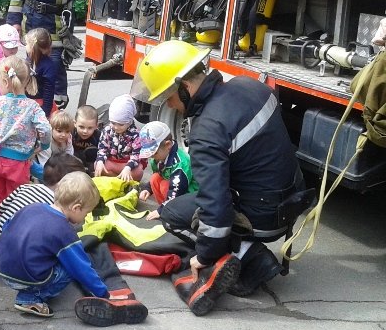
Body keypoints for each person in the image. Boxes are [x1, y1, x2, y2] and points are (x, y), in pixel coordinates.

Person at [131, 40, 308, 314]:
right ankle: (247, 251)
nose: (172, 106)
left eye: (170, 97)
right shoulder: (250, 85)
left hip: (263, 217)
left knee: (173, 213)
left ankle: (249, 256)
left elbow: (214, 202)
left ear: (185, 87)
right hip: (291, 201)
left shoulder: (207, 130)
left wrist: (205, 256)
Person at [0, 155, 148, 326]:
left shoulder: (33, 207)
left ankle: (28, 288)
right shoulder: (64, 230)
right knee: (69, 266)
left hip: (3, 268)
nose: (85, 217)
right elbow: (80, 267)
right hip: (26, 277)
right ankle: (30, 298)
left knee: (53, 255)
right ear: (76, 208)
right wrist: (104, 294)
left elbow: (7, 226)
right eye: (86, 212)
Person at [0, 56, 52, 210]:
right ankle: (12, 229)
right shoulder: (32, 106)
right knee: (16, 201)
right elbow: (46, 129)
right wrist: (44, 145)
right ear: (27, 81)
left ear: (5, 82)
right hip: (18, 164)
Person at [137, 121, 198, 221]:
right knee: (155, 178)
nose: (151, 156)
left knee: (165, 186)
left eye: (154, 153)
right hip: (174, 190)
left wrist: (160, 211)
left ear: (168, 145)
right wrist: (147, 189)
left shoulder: (180, 164)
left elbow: (176, 191)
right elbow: (157, 174)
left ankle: (169, 212)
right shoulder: (158, 158)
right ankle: (165, 208)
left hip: (188, 195)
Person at [94, 94, 145, 181]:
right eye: (113, 123)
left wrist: (128, 167)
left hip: (126, 164)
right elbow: (102, 149)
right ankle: (120, 179)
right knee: (97, 165)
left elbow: (136, 155)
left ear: (129, 122)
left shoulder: (136, 135)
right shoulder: (107, 130)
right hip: (112, 162)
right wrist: (100, 161)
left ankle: (115, 178)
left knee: (138, 171)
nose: (116, 127)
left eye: (121, 124)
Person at [24, 28, 56, 116]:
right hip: (34, 105)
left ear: (31, 47)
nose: (25, 46)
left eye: (26, 44)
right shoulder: (48, 65)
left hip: (38, 105)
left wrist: (44, 113)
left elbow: (48, 92)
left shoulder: (46, 66)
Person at [72, 105, 101, 176]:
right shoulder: (70, 134)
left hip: (91, 163)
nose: (85, 131)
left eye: (90, 128)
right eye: (81, 127)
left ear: (96, 126)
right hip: (73, 162)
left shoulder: (99, 136)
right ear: (75, 123)